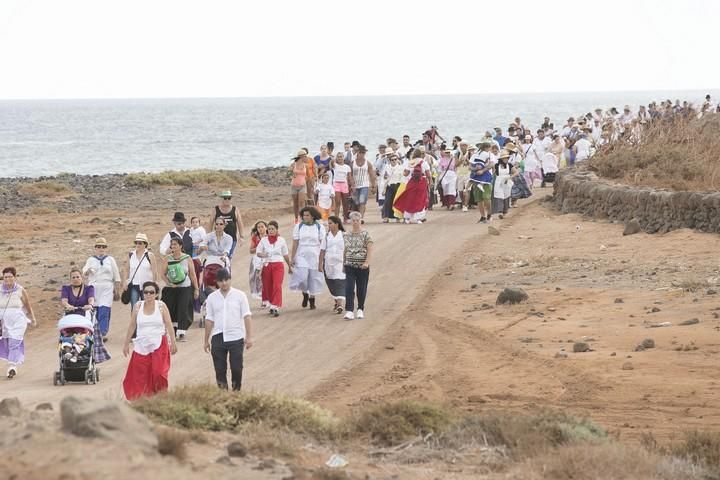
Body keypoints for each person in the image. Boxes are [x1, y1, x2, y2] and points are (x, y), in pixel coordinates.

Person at [122, 281, 177, 400]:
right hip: (141, 344)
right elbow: (132, 326)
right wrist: (126, 344)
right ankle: (143, 400)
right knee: (140, 375)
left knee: (159, 373)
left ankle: (161, 397)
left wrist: (173, 342)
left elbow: (168, 324)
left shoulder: (161, 306)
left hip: (159, 344)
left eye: (151, 292)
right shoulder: (138, 306)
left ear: (156, 294)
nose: (148, 295)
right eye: (146, 292)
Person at [203, 268, 253, 391]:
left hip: (236, 336)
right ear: (217, 282)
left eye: (226, 280)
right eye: (221, 281)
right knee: (219, 369)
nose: (224, 283)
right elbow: (209, 319)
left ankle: (236, 393)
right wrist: (206, 340)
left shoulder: (240, 295)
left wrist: (249, 337)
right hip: (218, 337)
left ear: (230, 279)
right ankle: (223, 395)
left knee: (237, 368)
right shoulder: (212, 298)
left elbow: (247, 315)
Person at [60, 267, 111, 364]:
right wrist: (67, 305)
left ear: (81, 277)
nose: (75, 279)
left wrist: (90, 305)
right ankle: (68, 351)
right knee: (67, 333)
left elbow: (91, 299)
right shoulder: (66, 289)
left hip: (84, 316)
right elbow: (64, 300)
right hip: (70, 316)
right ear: (70, 279)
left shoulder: (89, 288)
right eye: (73, 277)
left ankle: (77, 353)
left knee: (83, 334)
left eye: (77, 277)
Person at [0, 267, 37, 378]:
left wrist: (33, 318)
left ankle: (12, 366)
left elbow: (27, 305)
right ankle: (12, 361)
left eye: (10, 276)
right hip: (3, 321)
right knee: (6, 342)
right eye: (6, 277)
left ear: (15, 277)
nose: (8, 279)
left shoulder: (20, 290)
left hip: (18, 320)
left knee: (14, 342)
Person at [82, 237, 121, 341]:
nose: (101, 249)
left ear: (106, 248)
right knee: (94, 310)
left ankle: (102, 333)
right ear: (95, 248)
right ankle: (93, 331)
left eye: (103, 247)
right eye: (99, 247)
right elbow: (84, 272)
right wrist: (88, 271)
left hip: (107, 287)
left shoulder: (110, 259)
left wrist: (117, 290)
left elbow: (116, 275)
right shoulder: (90, 260)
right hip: (94, 287)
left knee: (104, 309)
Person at [162, 237, 199, 341]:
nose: (173, 246)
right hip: (171, 288)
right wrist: (169, 283)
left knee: (183, 309)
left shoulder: (187, 258)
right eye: (172, 244)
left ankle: (181, 332)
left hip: (185, 287)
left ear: (180, 246)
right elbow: (163, 274)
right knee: (171, 309)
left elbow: (192, 274)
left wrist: (196, 288)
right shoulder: (167, 258)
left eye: (175, 244)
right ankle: (172, 331)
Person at [290, 207, 326, 310]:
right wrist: (292, 257)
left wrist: (323, 257)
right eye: (303, 215)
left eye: (307, 215)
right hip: (302, 253)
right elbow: (295, 242)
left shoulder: (319, 227)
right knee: (302, 276)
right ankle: (305, 293)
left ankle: (312, 299)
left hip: (315, 254)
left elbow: (322, 243)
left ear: (313, 216)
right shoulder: (298, 226)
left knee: (313, 277)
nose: (305, 217)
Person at [256, 221, 293, 317]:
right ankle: (272, 303)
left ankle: (275, 306)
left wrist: (289, 266)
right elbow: (258, 252)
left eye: (273, 229)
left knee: (277, 285)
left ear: (277, 230)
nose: (271, 231)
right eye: (269, 229)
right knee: (268, 286)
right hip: (267, 264)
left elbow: (285, 254)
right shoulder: (263, 240)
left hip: (278, 265)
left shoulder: (281, 240)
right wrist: (263, 254)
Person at [343, 212, 373, 320]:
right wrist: (343, 263)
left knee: (361, 288)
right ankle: (349, 310)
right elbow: (345, 250)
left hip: (362, 266)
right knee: (349, 288)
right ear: (350, 221)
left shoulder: (366, 234)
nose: (355, 222)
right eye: (353, 220)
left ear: (360, 220)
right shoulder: (346, 234)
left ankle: (360, 309)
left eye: (357, 220)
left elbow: (370, 249)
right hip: (349, 265)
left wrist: (366, 262)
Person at [393, 149, 431, 224]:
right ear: (420, 154)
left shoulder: (410, 162)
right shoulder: (424, 162)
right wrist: (430, 182)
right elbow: (428, 174)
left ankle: (407, 217)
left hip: (412, 182)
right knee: (420, 199)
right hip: (421, 182)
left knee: (410, 199)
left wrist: (403, 171)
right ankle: (419, 218)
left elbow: (406, 174)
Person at [121, 233, 158, 312]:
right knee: (134, 307)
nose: (138, 244)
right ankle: (134, 324)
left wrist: (154, 285)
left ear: (145, 244)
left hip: (147, 286)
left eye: (140, 243)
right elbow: (126, 269)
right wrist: (124, 282)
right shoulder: (131, 255)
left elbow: (154, 271)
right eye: (136, 242)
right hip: (134, 285)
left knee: (148, 306)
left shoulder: (150, 255)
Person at [319, 216, 346, 314]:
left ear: (337, 224)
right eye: (328, 223)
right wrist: (320, 264)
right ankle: (336, 301)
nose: (329, 225)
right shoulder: (326, 236)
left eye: (330, 223)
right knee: (331, 283)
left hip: (340, 262)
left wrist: (346, 262)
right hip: (328, 263)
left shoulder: (344, 235)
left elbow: (347, 250)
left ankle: (339, 304)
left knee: (339, 281)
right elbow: (322, 250)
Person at [211, 191, 245, 259]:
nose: (227, 200)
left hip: (232, 238)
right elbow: (210, 223)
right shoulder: (216, 209)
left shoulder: (235, 209)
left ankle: (227, 269)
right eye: (225, 198)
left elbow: (240, 223)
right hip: (218, 238)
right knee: (218, 257)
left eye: (229, 198)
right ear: (222, 199)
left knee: (227, 257)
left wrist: (241, 237)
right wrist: (208, 237)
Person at [350, 145, 377, 221]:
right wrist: (352, 185)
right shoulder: (353, 163)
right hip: (355, 185)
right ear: (357, 152)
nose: (362, 154)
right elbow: (350, 175)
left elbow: (372, 175)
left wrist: (373, 186)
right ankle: (359, 215)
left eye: (363, 153)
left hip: (364, 185)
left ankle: (360, 218)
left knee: (362, 201)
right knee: (357, 202)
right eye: (361, 152)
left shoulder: (368, 163)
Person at [469, 143, 494, 223]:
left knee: (486, 197)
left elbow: (492, 164)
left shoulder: (489, 154)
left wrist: (482, 170)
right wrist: (475, 168)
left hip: (485, 178)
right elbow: (470, 166)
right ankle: (483, 216)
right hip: (477, 177)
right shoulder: (475, 155)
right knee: (479, 198)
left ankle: (489, 214)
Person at [492, 150, 519, 218]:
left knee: (506, 197)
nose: (506, 159)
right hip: (499, 182)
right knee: (499, 196)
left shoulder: (509, 165)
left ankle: (504, 212)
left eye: (507, 158)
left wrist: (510, 177)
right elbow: (493, 173)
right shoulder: (496, 165)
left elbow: (516, 172)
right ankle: (500, 211)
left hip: (507, 183)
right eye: (504, 158)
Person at [248, 220, 267, 304]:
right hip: (257, 260)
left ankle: (268, 298)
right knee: (259, 279)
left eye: (262, 226)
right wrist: (259, 247)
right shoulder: (255, 237)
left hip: (267, 259)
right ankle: (263, 299)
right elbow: (251, 250)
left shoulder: (270, 235)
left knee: (266, 279)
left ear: (266, 227)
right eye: (258, 227)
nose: (260, 228)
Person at [382, 153, 404, 223]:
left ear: (397, 160)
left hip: (398, 185)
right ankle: (386, 217)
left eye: (395, 159)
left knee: (397, 201)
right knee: (387, 201)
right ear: (390, 161)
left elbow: (403, 178)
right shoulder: (387, 167)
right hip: (389, 186)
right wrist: (383, 188)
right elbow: (384, 178)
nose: (394, 161)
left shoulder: (401, 167)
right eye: (392, 160)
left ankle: (398, 217)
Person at [332, 151, 353, 222]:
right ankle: (336, 218)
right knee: (337, 202)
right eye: (338, 157)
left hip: (344, 184)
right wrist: (334, 159)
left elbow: (349, 177)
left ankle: (345, 218)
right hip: (336, 184)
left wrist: (352, 185)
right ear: (336, 158)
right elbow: (331, 162)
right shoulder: (334, 165)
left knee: (345, 203)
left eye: (341, 156)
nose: (340, 158)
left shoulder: (347, 167)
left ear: (343, 158)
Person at [290, 150, 309, 223]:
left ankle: (302, 218)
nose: (306, 157)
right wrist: (291, 174)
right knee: (295, 203)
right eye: (305, 156)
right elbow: (289, 174)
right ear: (301, 156)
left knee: (301, 203)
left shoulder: (305, 165)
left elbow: (307, 176)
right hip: (294, 186)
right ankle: (296, 218)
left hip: (302, 186)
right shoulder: (293, 164)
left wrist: (309, 183)